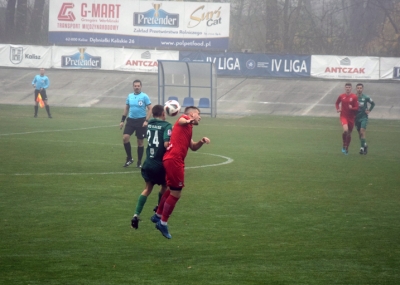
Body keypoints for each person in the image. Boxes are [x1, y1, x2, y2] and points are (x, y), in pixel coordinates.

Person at [151, 106, 210, 239]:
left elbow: (193, 147)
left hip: (171, 159)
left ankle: (158, 215)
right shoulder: (184, 120)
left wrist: (201, 141)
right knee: (176, 193)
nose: (200, 117)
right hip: (174, 160)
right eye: (198, 114)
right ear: (192, 114)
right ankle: (163, 222)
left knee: (172, 190)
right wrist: (189, 120)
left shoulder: (187, 129)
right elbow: (183, 120)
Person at [131, 105, 172, 229]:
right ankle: (158, 210)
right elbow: (166, 144)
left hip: (148, 162)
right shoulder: (167, 126)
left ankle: (135, 215)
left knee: (147, 189)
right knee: (165, 186)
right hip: (160, 164)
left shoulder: (149, 124)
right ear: (163, 113)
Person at [119, 80, 152, 168]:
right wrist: (122, 120)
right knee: (125, 137)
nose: (136, 87)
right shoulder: (130, 96)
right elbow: (126, 108)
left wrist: (146, 120)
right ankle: (129, 158)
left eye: (138, 86)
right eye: (135, 86)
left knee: (140, 142)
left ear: (141, 86)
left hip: (141, 121)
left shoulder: (144, 96)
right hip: (131, 120)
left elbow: (150, 109)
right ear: (133, 87)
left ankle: (139, 162)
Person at [335, 83, 359, 155]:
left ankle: (346, 148)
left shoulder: (354, 97)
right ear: (345, 88)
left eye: (349, 87)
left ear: (351, 88)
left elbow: (357, 107)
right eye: (346, 87)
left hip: (351, 118)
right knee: (345, 130)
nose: (348, 88)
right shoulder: (341, 96)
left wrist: (352, 108)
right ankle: (343, 144)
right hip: (343, 116)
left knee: (349, 134)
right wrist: (338, 109)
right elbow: (337, 103)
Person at [355, 83, 375, 155]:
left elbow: (373, 103)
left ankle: (362, 148)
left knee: (362, 131)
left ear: (362, 89)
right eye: (358, 88)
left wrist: (369, 110)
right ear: (356, 89)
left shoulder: (366, 97)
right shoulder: (354, 97)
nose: (359, 89)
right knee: (360, 134)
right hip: (356, 118)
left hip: (364, 117)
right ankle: (365, 145)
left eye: (360, 88)